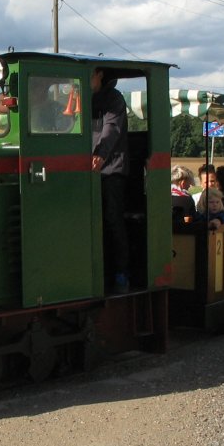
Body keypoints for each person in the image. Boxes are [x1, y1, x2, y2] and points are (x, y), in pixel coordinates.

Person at [90, 68, 130, 294]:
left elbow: (111, 128)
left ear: (99, 75)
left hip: (110, 168)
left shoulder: (114, 99)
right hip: (84, 169)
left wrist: (100, 154)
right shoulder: (79, 98)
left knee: (112, 219)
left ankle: (121, 273)